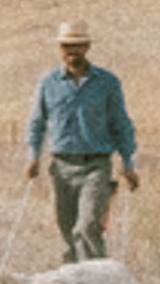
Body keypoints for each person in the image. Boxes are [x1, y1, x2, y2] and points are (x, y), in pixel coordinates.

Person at [26, 23, 134, 259]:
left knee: (86, 227)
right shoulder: (48, 83)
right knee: (67, 229)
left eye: (77, 45)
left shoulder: (107, 83)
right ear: (60, 49)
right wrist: (33, 157)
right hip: (62, 166)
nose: (72, 51)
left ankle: (96, 282)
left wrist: (128, 163)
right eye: (67, 46)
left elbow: (121, 125)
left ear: (87, 47)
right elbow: (36, 122)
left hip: (96, 165)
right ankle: (72, 281)